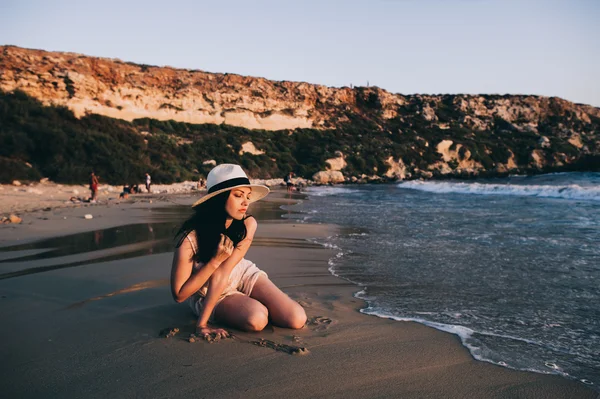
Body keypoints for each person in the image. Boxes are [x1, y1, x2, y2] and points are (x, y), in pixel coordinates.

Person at [170, 164, 307, 340]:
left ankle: (250, 304)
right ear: (219, 198)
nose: (245, 202)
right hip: (207, 289)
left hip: (240, 273)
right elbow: (179, 295)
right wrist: (202, 324)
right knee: (256, 319)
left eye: (248, 196)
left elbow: (226, 271)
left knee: (296, 318)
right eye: (238, 195)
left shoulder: (247, 224)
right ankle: (244, 306)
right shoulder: (191, 238)